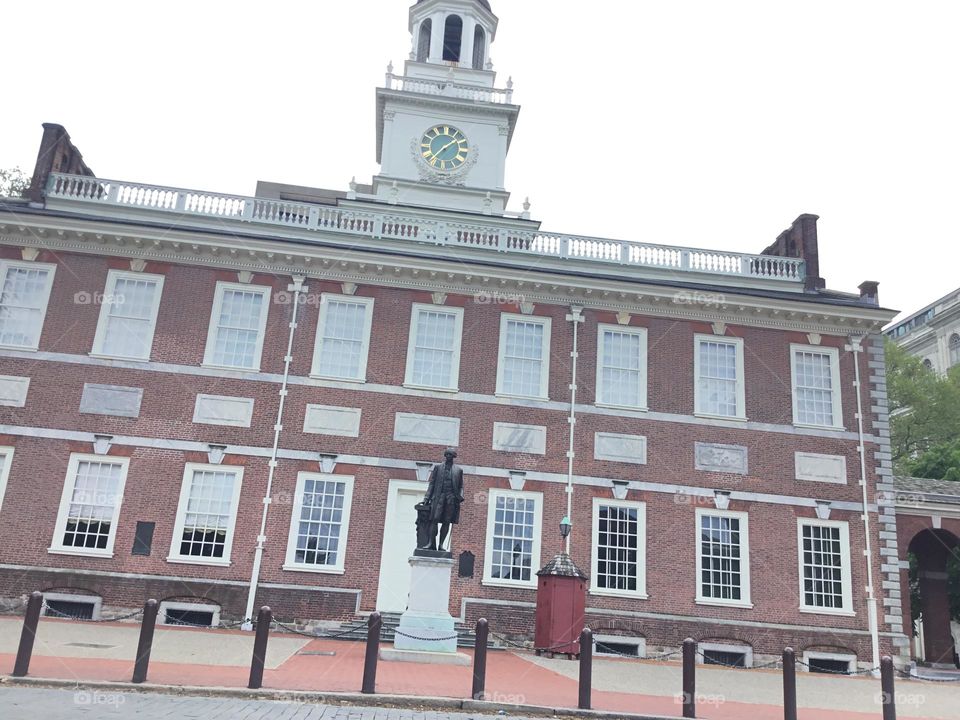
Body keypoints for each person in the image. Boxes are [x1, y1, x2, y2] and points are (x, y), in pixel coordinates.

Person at [421, 447, 464, 551]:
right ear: (445, 456)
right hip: (439, 497)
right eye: (447, 455)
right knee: (434, 519)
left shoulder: (458, 470)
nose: (448, 457)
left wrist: (460, 497)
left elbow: (461, 486)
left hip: (451, 499)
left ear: (453, 457)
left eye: (451, 455)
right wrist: (427, 497)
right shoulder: (438, 468)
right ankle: (431, 543)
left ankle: (441, 545)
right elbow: (432, 483)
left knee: (446, 521)